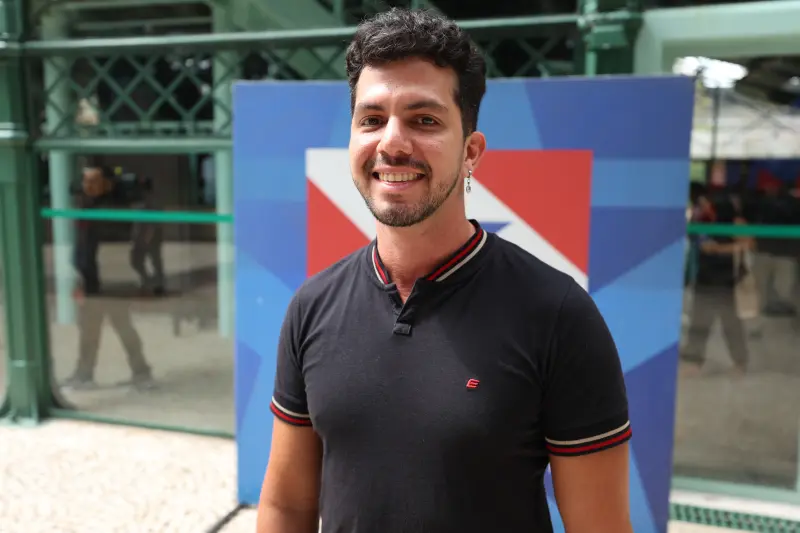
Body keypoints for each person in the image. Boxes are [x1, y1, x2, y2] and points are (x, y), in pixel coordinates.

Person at [257, 9, 632, 533]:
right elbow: (286, 508)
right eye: (371, 120)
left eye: (424, 120)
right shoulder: (311, 307)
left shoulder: (558, 316)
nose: (391, 143)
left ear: (471, 151)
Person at [62, 165, 156, 391]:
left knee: (120, 326)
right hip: (92, 278)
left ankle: (140, 373)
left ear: (107, 183)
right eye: (85, 181)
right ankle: (87, 374)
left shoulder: (112, 207)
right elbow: (84, 248)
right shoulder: (88, 205)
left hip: (109, 277)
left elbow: (108, 246)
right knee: (91, 329)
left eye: (94, 181)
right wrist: (81, 278)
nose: (88, 186)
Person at [681, 192, 751, 376]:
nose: (704, 208)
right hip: (705, 279)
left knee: (731, 325)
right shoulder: (703, 222)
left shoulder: (735, 222)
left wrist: (719, 249)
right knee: (699, 322)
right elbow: (698, 241)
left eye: (707, 204)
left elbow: (747, 244)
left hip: (727, 281)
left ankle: (740, 362)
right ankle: (693, 361)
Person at [130, 176, 166, 296]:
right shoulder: (138, 201)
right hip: (139, 235)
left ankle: (159, 284)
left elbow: (154, 222)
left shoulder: (152, 201)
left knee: (155, 260)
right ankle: (147, 280)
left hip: (150, 236)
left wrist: (147, 237)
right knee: (136, 260)